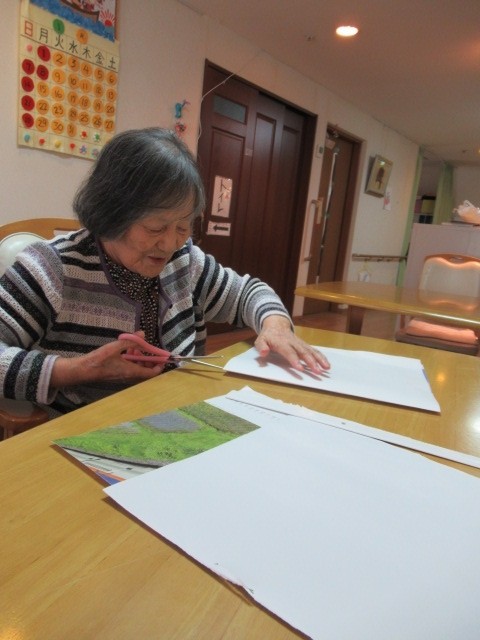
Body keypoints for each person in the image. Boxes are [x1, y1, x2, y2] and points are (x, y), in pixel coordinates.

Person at [0, 127, 329, 418]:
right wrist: (80, 370)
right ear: (112, 213)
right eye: (156, 228)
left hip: (178, 413)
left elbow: (247, 293)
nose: (171, 243)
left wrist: (276, 326)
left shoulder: (184, 260)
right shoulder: (53, 268)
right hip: (83, 427)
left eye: (183, 227)